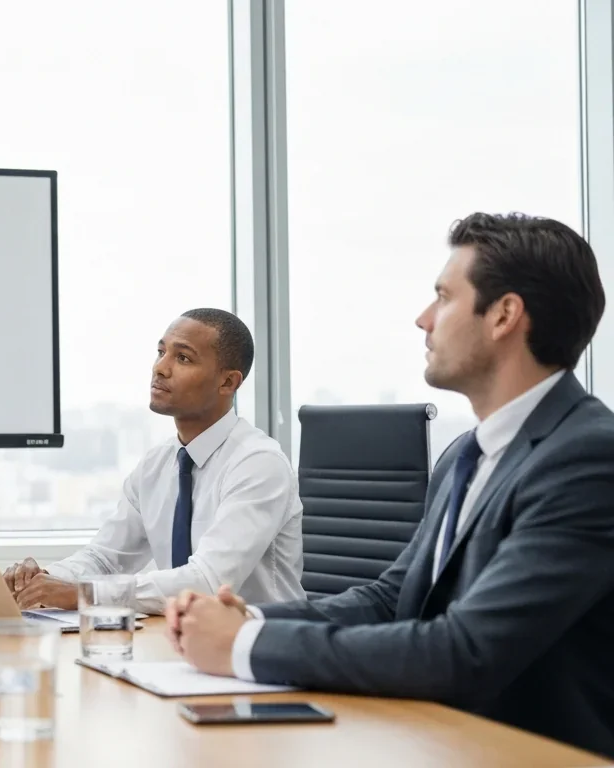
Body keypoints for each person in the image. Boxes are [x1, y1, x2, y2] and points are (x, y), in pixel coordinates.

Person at [168, 213, 614, 759]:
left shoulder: (588, 458)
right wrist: (247, 617)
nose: (423, 319)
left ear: (504, 315)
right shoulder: (465, 455)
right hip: (438, 738)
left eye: (444, 298)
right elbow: (393, 598)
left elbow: (465, 650)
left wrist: (245, 645)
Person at [2, 309, 303, 615]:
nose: (160, 368)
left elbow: (208, 583)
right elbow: (104, 559)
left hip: (264, 647)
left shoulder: (259, 464)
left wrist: (83, 594)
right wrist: (43, 581)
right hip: (184, 643)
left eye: (183, 358)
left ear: (227, 382)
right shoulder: (156, 464)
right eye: (161, 352)